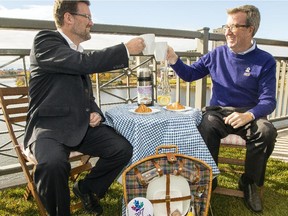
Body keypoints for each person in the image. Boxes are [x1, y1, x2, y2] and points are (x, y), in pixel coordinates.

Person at [23, 0, 145, 215]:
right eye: (87, 17)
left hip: (79, 125)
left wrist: (95, 111)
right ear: (68, 18)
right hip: (48, 127)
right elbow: (83, 63)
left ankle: (87, 188)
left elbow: (84, 94)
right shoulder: (46, 41)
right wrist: (125, 49)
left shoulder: (77, 53)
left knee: (121, 149)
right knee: (52, 164)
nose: (91, 23)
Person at [166, 5, 277, 213]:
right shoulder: (217, 54)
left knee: (267, 131)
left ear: (250, 29)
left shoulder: (266, 61)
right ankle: (210, 179)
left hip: (249, 113)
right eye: (226, 26)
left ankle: (250, 183)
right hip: (218, 112)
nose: (227, 31)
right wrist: (173, 58)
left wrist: (248, 115)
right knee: (206, 124)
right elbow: (190, 74)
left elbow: (269, 101)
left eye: (234, 26)